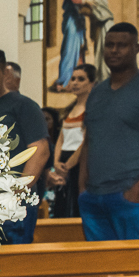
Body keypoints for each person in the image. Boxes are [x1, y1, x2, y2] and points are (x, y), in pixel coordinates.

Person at [79, 23, 139, 240]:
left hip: (134, 198)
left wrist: (138, 190)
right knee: (101, 269)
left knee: (138, 268)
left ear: (136, 49)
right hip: (93, 198)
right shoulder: (97, 92)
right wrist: (82, 189)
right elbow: (89, 141)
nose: (114, 50)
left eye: (122, 45)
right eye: (109, 45)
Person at [0, 48, 50, 244]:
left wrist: (16, 193)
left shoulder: (23, 106)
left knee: (13, 264)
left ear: (4, 74)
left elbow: (40, 150)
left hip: (13, 206)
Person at [48, 64, 95, 218]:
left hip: (80, 162)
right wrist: (56, 162)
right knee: (62, 203)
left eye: (81, 79)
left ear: (91, 83)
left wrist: (69, 165)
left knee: (75, 204)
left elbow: (87, 141)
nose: (74, 83)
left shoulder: (92, 109)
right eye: (73, 79)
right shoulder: (70, 109)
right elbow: (61, 138)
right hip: (64, 161)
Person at [56, 0, 92, 91]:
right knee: (70, 49)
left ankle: (74, 80)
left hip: (77, 18)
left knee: (78, 50)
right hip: (72, 17)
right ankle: (63, 82)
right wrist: (86, 0)